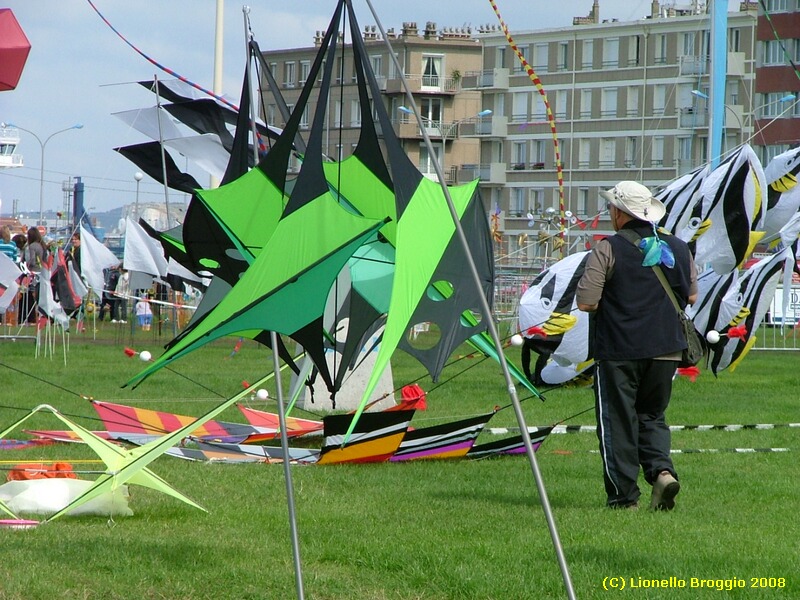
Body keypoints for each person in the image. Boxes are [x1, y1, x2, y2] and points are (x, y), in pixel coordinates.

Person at [576, 181, 697, 511]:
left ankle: (624, 498)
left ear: (618, 213)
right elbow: (691, 296)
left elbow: (586, 302)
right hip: (666, 350)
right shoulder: (679, 247)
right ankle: (662, 473)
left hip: (619, 350)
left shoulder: (608, 248)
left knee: (617, 422)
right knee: (652, 416)